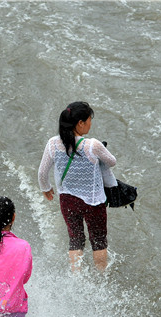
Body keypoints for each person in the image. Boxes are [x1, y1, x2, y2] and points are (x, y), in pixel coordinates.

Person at [38, 101, 116, 272]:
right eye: (89, 120)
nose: (90, 123)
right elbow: (112, 161)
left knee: (75, 239)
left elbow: (42, 173)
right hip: (93, 201)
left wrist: (46, 188)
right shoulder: (92, 145)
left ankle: (76, 277)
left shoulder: (53, 143)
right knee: (98, 240)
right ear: (80, 123)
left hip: (68, 200)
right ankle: (101, 276)